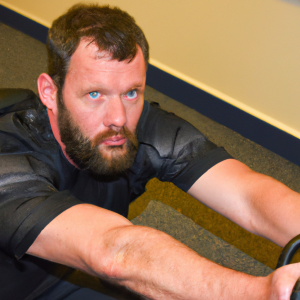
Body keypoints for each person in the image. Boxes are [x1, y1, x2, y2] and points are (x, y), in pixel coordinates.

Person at [1, 3, 300, 300]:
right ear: (50, 93)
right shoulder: (8, 160)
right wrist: (264, 293)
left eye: (131, 92)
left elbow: (246, 194)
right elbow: (114, 251)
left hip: (68, 270)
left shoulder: (131, 128)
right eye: (95, 94)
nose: (118, 118)